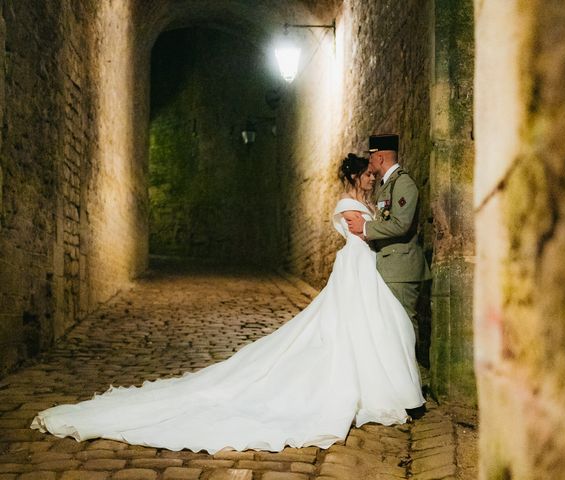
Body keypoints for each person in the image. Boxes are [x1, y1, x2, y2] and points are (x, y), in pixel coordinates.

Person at [31, 153, 425, 454]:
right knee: (353, 329)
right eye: (369, 176)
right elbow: (363, 233)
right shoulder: (347, 205)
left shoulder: (368, 205)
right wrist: (369, 228)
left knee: (365, 327)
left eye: (375, 176)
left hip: (363, 270)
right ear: (356, 177)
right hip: (357, 268)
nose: (373, 181)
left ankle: (380, 379)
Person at [346, 134, 431, 418]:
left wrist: (366, 229)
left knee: (405, 328)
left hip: (402, 268)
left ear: (380, 157)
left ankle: (412, 393)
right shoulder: (387, 186)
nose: (370, 163)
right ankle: (402, 389)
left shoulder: (403, 183)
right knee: (394, 329)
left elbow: (400, 224)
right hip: (389, 267)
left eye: (372, 157)